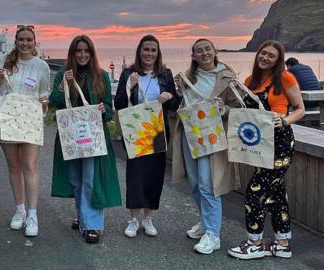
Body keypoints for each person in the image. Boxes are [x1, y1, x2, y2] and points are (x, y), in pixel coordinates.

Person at [228, 40, 305, 260]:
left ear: (278, 59)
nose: (265, 58)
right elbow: (244, 113)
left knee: (255, 192)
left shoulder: (285, 77)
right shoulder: (250, 81)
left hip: (280, 142)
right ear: (258, 54)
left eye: (271, 55)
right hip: (258, 143)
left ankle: (255, 243)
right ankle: (282, 243)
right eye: (263, 53)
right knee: (277, 194)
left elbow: (300, 109)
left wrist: (285, 120)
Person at [50, 35, 122, 244]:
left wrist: (103, 109)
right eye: (78, 51)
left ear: (91, 53)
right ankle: (83, 215)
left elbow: (109, 108)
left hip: (93, 136)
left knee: (90, 178)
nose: (82, 55)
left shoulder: (102, 75)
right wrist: (63, 85)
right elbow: (56, 102)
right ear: (72, 54)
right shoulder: (64, 74)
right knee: (75, 179)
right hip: (70, 136)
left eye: (86, 51)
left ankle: (92, 224)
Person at [171, 39, 241, 254]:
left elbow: (239, 108)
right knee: (194, 184)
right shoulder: (186, 78)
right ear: (193, 55)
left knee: (208, 185)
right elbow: (184, 105)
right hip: (190, 135)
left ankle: (213, 234)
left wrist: (224, 109)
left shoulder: (228, 77)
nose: (204, 53)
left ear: (215, 51)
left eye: (207, 49)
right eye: (199, 51)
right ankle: (205, 222)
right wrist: (178, 91)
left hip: (212, 137)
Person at [114, 35, 181, 238]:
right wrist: (131, 87)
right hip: (135, 132)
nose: (149, 54)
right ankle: (133, 219)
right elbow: (119, 103)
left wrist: (171, 96)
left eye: (153, 50)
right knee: (135, 175)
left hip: (158, 132)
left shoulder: (165, 75)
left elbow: (175, 104)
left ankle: (149, 218)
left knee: (154, 175)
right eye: (146, 49)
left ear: (157, 53)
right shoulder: (128, 73)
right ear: (139, 51)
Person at [0, 25, 50, 237]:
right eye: (21, 39)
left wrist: (44, 101)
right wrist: (0, 78)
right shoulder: (3, 61)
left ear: (34, 42)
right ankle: (20, 210)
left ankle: (33, 214)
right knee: (14, 166)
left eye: (29, 39)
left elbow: (44, 93)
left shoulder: (41, 66)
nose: (25, 43)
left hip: (30, 118)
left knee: (30, 165)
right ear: (15, 41)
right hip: (8, 116)